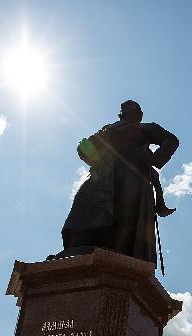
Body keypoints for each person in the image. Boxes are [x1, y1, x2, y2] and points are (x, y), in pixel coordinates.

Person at [61, 100, 179, 264]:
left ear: (139, 115)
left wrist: (154, 159)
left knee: (124, 211)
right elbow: (88, 150)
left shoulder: (146, 128)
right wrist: (87, 148)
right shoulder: (109, 129)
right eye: (124, 111)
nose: (126, 113)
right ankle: (79, 244)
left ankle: (119, 252)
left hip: (134, 173)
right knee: (82, 198)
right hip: (105, 175)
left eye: (131, 110)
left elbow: (171, 140)